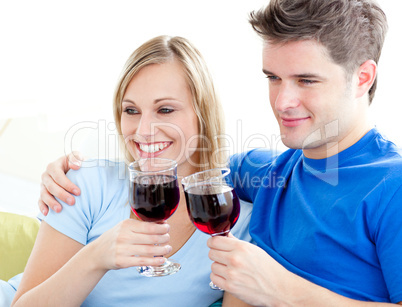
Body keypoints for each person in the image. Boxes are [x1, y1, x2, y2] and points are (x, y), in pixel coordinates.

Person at [36, 0, 402, 305]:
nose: (282, 101)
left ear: (363, 77)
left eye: (306, 80)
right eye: (272, 78)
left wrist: (283, 290)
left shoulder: (391, 184)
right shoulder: (264, 174)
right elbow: (187, 164)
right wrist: (63, 171)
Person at [10, 35, 253, 307]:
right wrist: (96, 257)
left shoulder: (233, 222)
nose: (143, 131)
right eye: (131, 110)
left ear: (202, 114)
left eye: (165, 109)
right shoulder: (84, 184)